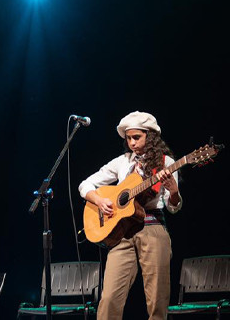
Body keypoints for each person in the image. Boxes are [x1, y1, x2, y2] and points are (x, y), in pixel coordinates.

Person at [78, 111, 182, 320]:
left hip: (152, 228)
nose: (132, 143)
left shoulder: (165, 162)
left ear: (149, 136)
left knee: (156, 298)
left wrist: (173, 192)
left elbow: (174, 207)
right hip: (122, 234)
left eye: (137, 137)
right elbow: (85, 184)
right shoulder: (122, 162)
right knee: (109, 298)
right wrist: (99, 200)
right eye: (129, 138)